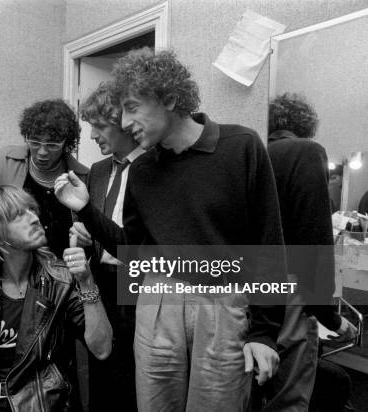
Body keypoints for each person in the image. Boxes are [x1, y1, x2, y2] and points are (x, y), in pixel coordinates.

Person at [54, 48, 286, 412]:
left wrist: (265, 334)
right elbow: (133, 250)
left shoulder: (241, 147)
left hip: (223, 306)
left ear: (170, 97)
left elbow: (268, 244)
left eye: (132, 107)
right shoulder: (143, 171)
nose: (124, 121)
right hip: (158, 303)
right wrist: (85, 209)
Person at [0, 185, 112, 412]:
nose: (34, 218)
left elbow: (102, 349)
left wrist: (86, 281)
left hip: (45, 404)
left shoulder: (61, 281)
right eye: (18, 215)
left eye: (32, 210)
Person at [258, 92, 357, 411]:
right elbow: (313, 238)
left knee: (256, 391)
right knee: (290, 398)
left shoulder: (254, 152)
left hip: (249, 292)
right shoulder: (305, 151)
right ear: (306, 124)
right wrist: (327, 312)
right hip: (291, 291)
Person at [72, 81, 144, 412]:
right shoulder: (98, 171)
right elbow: (99, 226)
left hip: (140, 285)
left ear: (122, 122)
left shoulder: (154, 168)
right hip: (101, 282)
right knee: (100, 375)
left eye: (98, 126)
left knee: (133, 380)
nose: (91, 136)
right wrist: (86, 238)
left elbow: (137, 245)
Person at [0, 99, 89, 259]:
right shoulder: (3, 160)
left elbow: (94, 233)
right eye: (34, 142)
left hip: (63, 274)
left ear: (66, 143)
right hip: (13, 268)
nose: (42, 152)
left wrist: (88, 238)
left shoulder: (83, 177)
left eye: (52, 145)